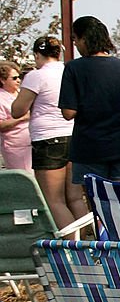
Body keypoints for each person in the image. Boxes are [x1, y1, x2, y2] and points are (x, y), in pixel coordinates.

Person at [58, 16, 120, 185]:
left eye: (75, 39)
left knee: (97, 204)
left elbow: (68, 113)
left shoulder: (73, 68)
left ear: (84, 38)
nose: (75, 44)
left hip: (90, 148)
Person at [11, 37, 88, 228]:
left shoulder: (36, 76)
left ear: (37, 54)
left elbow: (17, 110)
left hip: (48, 140)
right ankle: (92, 242)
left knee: (54, 201)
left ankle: (74, 248)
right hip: (75, 136)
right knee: (76, 198)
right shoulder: (70, 71)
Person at [0, 61, 31, 171]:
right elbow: (1, 125)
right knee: (25, 178)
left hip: (31, 143)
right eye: (14, 78)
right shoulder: (1, 98)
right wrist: (23, 117)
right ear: (3, 80)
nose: (18, 80)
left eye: (19, 77)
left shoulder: (21, 93)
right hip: (15, 146)